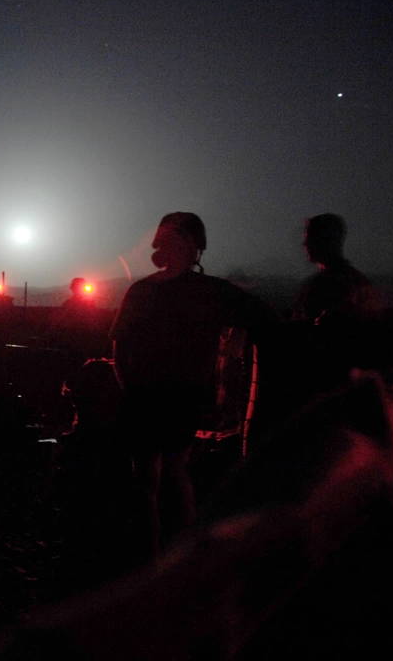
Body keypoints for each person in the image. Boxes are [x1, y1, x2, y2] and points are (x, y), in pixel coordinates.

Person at [110, 212, 274, 559]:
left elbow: (120, 346)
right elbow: (121, 346)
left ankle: (163, 558)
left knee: (162, 477)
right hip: (159, 396)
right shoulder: (202, 291)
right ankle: (165, 559)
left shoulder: (186, 292)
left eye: (174, 240)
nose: (168, 247)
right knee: (158, 478)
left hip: (169, 396)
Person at [293, 213, 378, 326]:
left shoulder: (325, 285)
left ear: (326, 241)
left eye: (310, 237)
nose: (305, 244)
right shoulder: (358, 281)